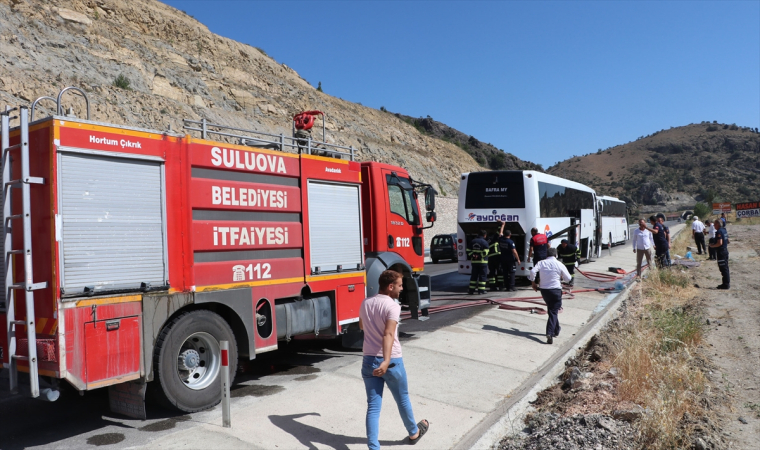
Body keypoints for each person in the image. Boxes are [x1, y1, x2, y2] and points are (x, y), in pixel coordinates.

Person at [359, 270, 429, 449]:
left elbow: (362, 326)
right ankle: (414, 432)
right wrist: (386, 360)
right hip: (391, 361)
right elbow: (388, 333)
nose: (402, 288)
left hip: (368, 359)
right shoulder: (392, 306)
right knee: (402, 398)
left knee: (373, 407)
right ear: (390, 287)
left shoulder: (366, 302)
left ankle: (373, 447)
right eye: (399, 285)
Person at [529, 247, 571, 344]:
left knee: (552, 310)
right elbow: (568, 278)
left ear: (546, 255)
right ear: (556, 255)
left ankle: (556, 330)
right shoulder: (559, 264)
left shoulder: (541, 263)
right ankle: (550, 333)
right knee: (553, 311)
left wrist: (533, 283)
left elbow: (532, 271)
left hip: (544, 291)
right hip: (556, 290)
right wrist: (562, 277)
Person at [496, 220, 521, 291]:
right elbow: (514, 251)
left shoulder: (501, 239)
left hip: (503, 259)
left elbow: (500, 232)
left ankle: (507, 287)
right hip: (510, 259)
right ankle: (511, 287)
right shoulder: (510, 242)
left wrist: (503, 225)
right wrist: (518, 259)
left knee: (505, 273)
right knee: (512, 272)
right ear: (510, 235)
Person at [467, 230, 490, 294]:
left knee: (474, 276)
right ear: (484, 235)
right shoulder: (484, 242)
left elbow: (468, 250)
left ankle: (471, 290)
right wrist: (479, 256)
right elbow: (486, 252)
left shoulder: (473, 241)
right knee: (482, 276)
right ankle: (481, 290)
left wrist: (473, 255)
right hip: (482, 262)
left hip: (474, 262)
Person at [708, 220, 730, 289]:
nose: (714, 226)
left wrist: (712, 246)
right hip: (725, 251)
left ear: (717, 224)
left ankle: (725, 284)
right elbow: (728, 241)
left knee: (723, 268)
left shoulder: (719, 232)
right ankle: (726, 283)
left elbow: (719, 243)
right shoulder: (724, 230)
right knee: (726, 268)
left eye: (714, 224)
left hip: (721, 252)